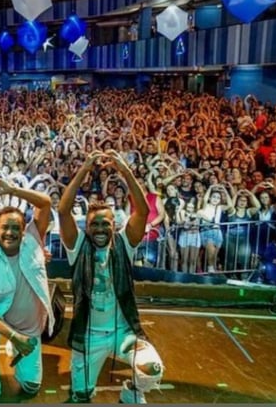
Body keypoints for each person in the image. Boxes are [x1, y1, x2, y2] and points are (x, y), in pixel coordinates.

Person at [58, 150, 164, 404]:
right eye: (94, 224)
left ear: (114, 225)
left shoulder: (124, 243)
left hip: (123, 333)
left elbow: (142, 211)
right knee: (80, 396)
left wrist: (124, 170)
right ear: (86, 227)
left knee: (151, 369)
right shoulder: (77, 246)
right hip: (89, 336)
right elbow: (63, 211)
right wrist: (85, 168)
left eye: (105, 223)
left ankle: (131, 393)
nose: (100, 228)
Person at [0, 176, 55, 403]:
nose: (10, 232)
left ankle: (16, 347)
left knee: (30, 387)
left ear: (24, 230)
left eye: (16, 227)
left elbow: (45, 203)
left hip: (30, 328)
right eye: (5, 227)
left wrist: (11, 190)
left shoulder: (34, 240)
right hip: (5, 322)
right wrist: (13, 336)